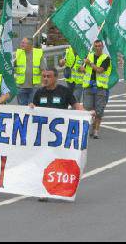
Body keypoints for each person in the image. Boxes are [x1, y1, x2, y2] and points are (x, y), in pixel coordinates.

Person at [29, 66, 90, 202]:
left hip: (60, 136)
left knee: (60, 161)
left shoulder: (64, 91)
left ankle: (61, 186)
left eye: (48, 76)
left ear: (55, 78)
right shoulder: (39, 92)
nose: (45, 79)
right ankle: (43, 191)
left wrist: (86, 113)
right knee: (44, 161)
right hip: (44, 136)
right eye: (43, 76)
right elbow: (34, 107)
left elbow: (75, 105)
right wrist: (31, 107)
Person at [82, 40, 111, 139]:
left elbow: (100, 70)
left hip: (100, 87)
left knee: (99, 111)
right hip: (88, 86)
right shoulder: (89, 56)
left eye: (99, 46)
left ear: (102, 47)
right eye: (96, 46)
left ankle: (96, 131)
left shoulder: (106, 58)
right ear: (93, 47)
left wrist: (90, 64)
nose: (98, 48)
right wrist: (81, 68)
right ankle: (90, 127)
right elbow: (82, 69)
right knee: (88, 109)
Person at [14, 37, 45, 106]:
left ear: (30, 45)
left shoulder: (38, 53)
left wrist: (43, 83)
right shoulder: (18, 53)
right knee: (22, 109)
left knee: (33, 108)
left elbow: (43, 70)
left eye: (24, 43)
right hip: (21, 86)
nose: (21, 44)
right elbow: (12, 67)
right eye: (21, 42)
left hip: (35, 87)